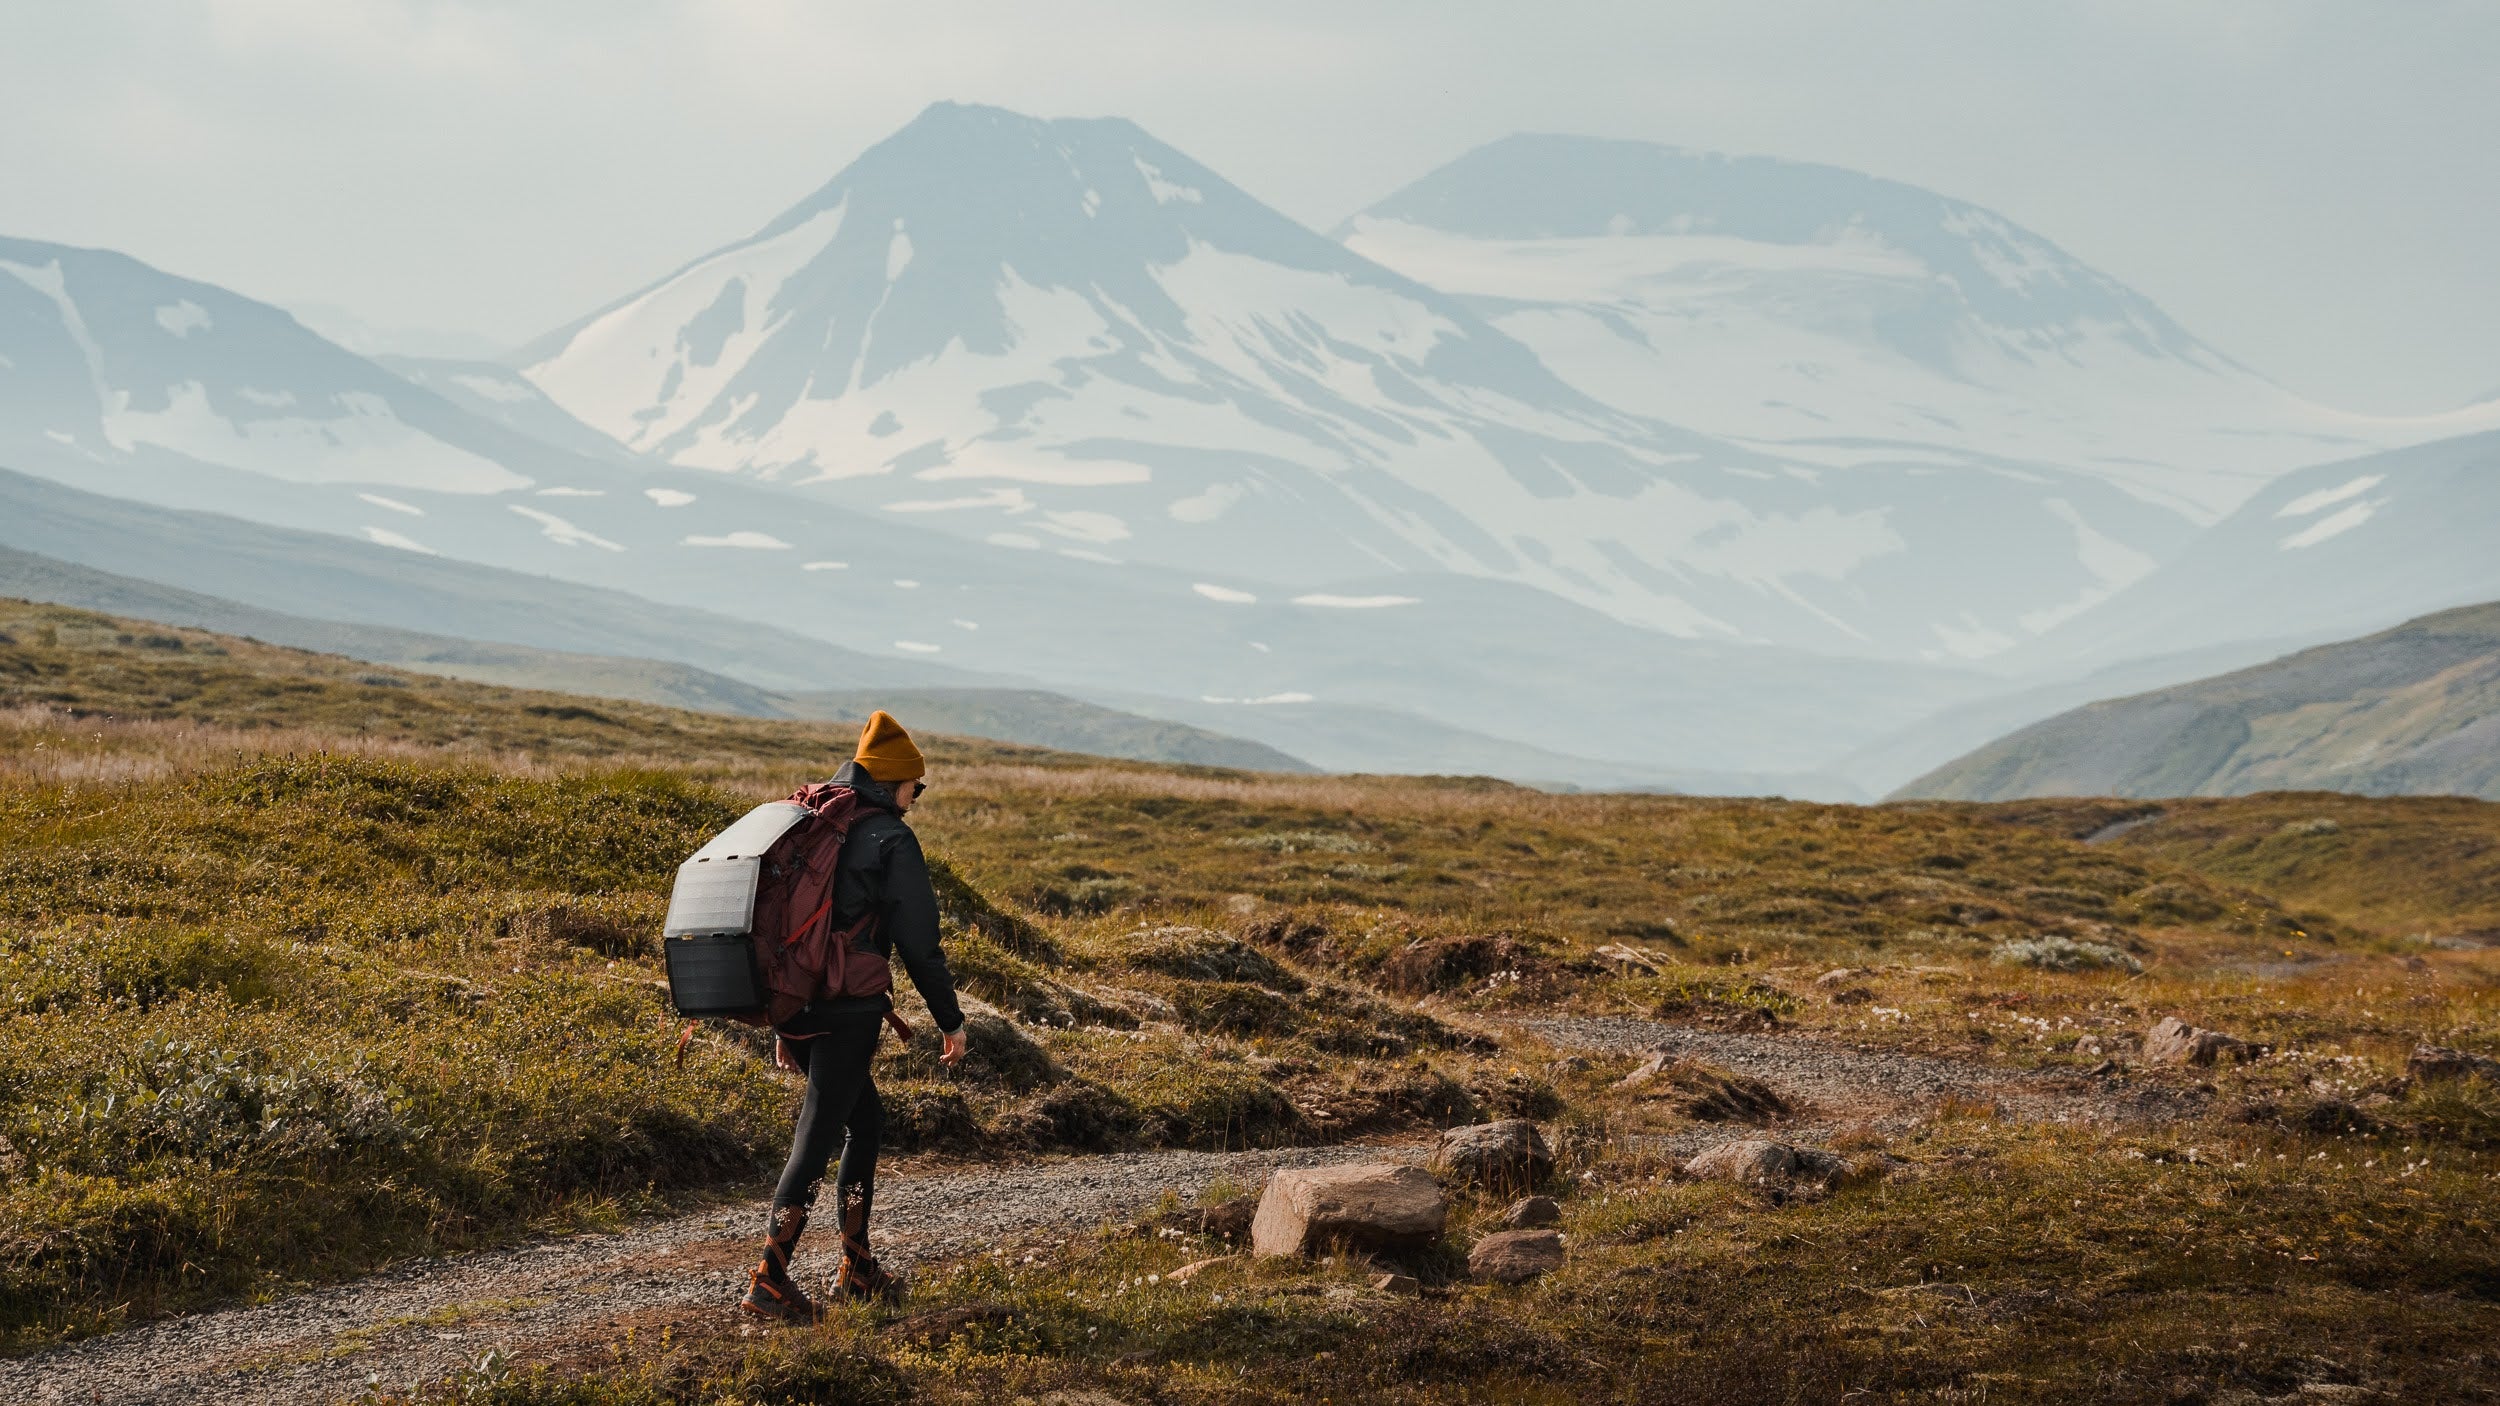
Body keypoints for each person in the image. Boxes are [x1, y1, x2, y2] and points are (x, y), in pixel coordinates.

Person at [742, 710, 968, 1322]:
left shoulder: (815, 821)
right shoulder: (890, 839)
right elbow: (918, 940)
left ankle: (857, 1264)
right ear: (894, 782)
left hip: (801, 1000)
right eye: (915, 787)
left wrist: (783, 1016)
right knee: (819, 1131)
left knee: (862, 1121)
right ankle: (770, 1277)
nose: (915, 799)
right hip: (848, 1004)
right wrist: (950, 1019)